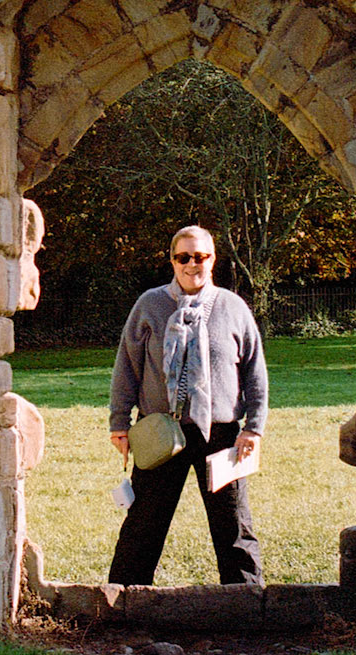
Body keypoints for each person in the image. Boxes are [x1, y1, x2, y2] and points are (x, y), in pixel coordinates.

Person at [107, 224, 267, 586]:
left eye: (201, 256)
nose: (192, 264)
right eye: (184, 257)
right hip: (162, 431)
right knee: (144, 522)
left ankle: (246, 604)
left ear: (213, 259)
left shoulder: (232, 307)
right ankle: (124, 601)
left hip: (222, 435)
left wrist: (254, 428)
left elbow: (255, 371)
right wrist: (120, 423)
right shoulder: (150, 305)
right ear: (172, 260)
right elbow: (127, 367)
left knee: (233, 525)